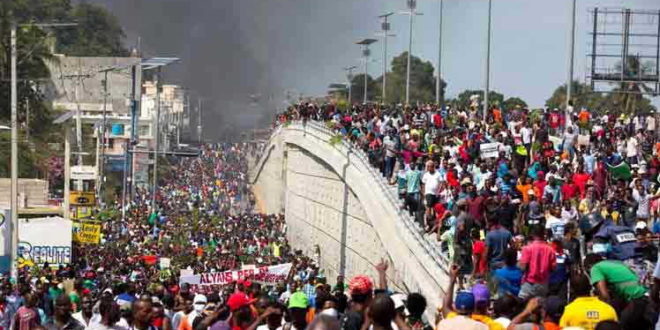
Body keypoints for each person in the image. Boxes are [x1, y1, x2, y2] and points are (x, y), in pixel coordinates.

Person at [584, 254, 658, 329]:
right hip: (645, 297)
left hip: (636, 299)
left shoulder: (596, 268)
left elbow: (605, 296)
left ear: (589, 266)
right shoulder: (616, 264)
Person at [517, 225, 556, 299]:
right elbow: (553, 268)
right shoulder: (550, 250)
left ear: (533, 234)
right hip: (543, 283)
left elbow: (522, 267)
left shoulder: (527, 249)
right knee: (540, 306)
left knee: (521, 304)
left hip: (529, 283)